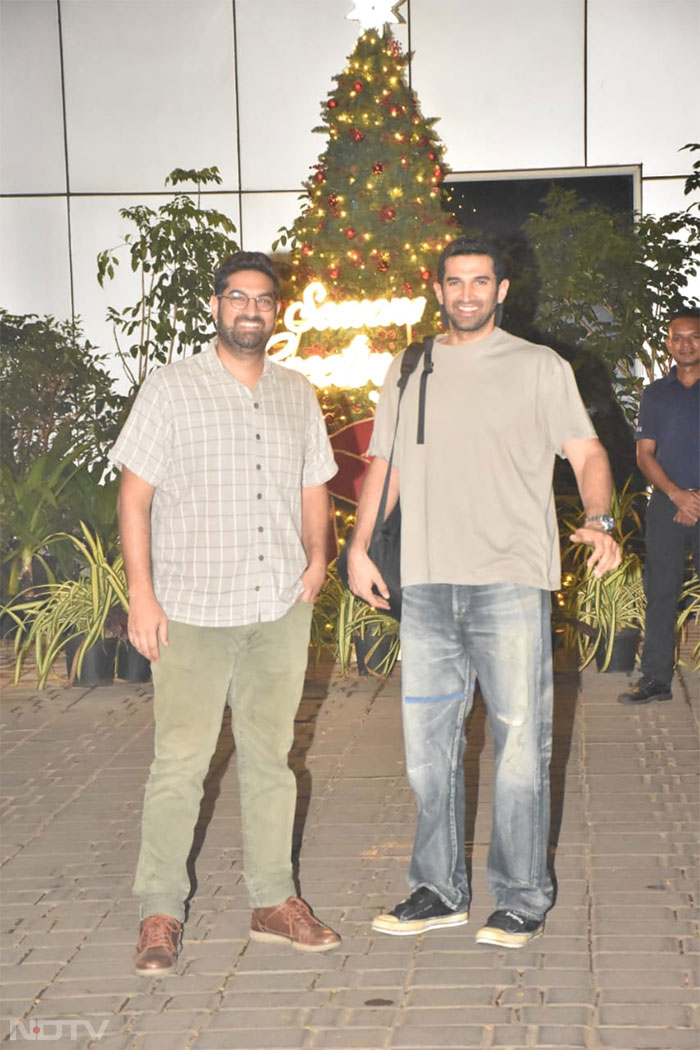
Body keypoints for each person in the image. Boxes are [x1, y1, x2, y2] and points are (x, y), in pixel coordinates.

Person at [348, 236, 621, 948]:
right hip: (430, 585)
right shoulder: (408, 368)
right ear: (437, 289)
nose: (467, 292)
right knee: (426, 750)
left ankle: (523, 895)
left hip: (510, 581)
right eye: (454, 281)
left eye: (480, 281)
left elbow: (587, 452)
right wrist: (356, 547)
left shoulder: (538, 366)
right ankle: (438, 890)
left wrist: (600, 518)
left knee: (520, 746)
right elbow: (386, 465)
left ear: (502, 290)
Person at [110, 251, 341, 975]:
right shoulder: (171, 389)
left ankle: (274, 900)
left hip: (277, 604)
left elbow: (315, 484)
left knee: (272, 757)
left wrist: (319, 558)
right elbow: (134, 496)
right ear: (216, 307)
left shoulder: (297, 392)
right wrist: (141, 594)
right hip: (192, 608)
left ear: (277, 311)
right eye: (237, 298)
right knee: (180, 762)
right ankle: (159, 910)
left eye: (263, 300)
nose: (250, 310)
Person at [618, 308, 700, 705]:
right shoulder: (655, 394)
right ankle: (655, 680)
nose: (685, 344)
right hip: (667, 505)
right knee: (661, 592)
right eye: (677, 337)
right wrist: (677, 495)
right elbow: (644, 454)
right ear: (668, 343)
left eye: (694, 336)